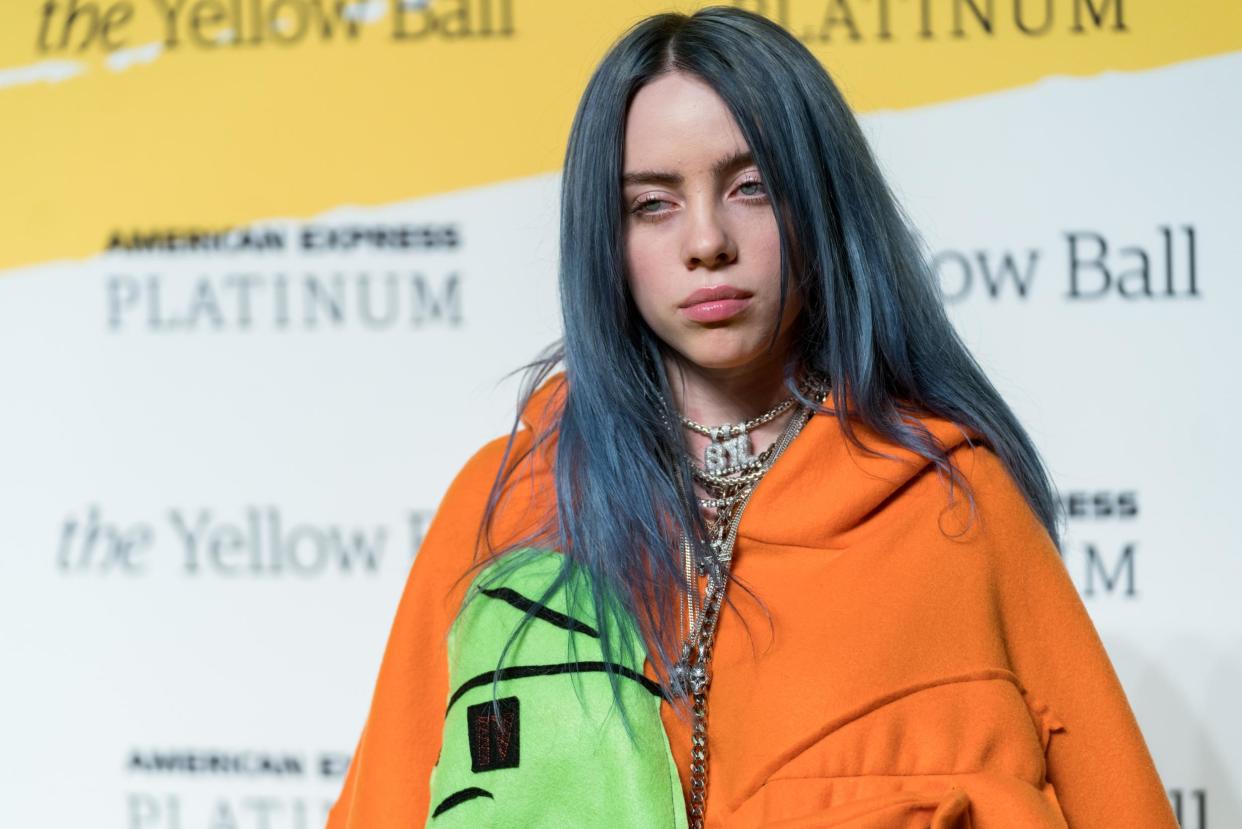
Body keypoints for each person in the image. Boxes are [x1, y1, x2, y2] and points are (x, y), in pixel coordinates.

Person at [327, 7, 1176, 828]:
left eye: (752, 187)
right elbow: (384, 806)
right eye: (652, 203)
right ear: (604, 236)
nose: (707, 240)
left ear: (822, 206)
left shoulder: (955, 504)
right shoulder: (509, 504)